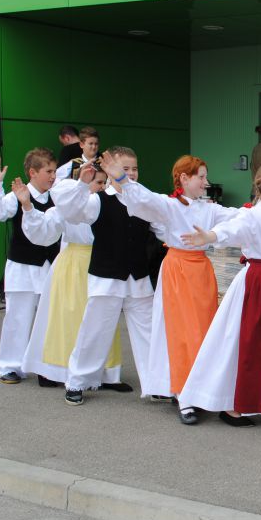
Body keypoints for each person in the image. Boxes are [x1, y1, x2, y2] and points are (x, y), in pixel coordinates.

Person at [98, 151, 240, 423]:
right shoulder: (169, 205)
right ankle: (183, 395)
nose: (205, 182)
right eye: (201, 177)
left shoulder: (208, 208)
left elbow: (235, 217)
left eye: (205, 177)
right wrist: (120, 178)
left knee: (203, 331)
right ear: (184, 178)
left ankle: (201, 389)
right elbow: (143, 199)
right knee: (181, 333)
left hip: (201, 271)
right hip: (178, 271)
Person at [178, 161, 261, 429]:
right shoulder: (251, 216)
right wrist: (210, 236)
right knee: (249, 342)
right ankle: (236, 402)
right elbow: (230, 231)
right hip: (258, 285)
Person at [48, 147, 164, 406]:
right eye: (125, 169)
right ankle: (77, 381)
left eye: (134, 168)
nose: (131, 173)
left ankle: (157, 383)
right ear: (111, 171)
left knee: (149, 329)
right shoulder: (98, 200)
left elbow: (165, 226)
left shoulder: (144, 200)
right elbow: (69, 209)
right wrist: (82, 184)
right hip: (107, 275)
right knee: (95, 330)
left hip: (138, 277)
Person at [20, 166, 126, 391]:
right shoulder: (68, 207)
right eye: (97, 183)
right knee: (69, 319)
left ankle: (104, 373)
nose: (101, 187)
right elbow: (44, 231)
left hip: (103, 263)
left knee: (103, 318)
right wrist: (28, 207)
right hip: (74, 265)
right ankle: (57, 370)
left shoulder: (106, 205)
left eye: (103, 183)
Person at [0, 150, 60, 383]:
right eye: (48, 171)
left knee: (48, 319)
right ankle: (9, 366)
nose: (53, 176)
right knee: (18, 317)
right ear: (33, 172)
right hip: (23, 267)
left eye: (55, 171)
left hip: (50, 267)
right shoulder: (15, 197)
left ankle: (44, 365)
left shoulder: (57, 196)